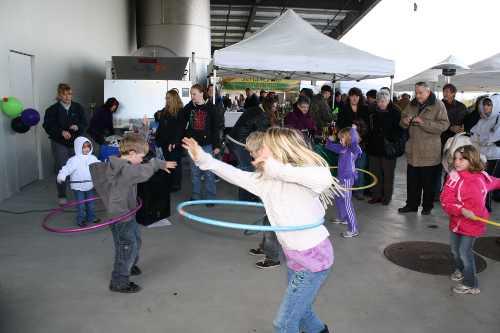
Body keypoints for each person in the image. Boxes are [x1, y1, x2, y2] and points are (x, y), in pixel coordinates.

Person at [182, 127, 341, 333]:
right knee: (302, 312)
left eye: (264, 146)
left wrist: (276, 169)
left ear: (279, 150)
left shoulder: (305, 179)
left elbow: (323, 178)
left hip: (315, 259)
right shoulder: (265, 183)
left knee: (283, 324)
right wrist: (203, 159)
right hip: (294, 258)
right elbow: (234, 174)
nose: (258, 151)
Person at [90, 133, 177, 293]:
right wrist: (157, 163)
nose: (141, 160)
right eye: (140, 156)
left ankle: (129, 265)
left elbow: (139, 166)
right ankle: (119, 281)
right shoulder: (125, 170)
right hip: (121, 215)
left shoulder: (121, 161)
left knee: (133, 240)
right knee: (127, 246)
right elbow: (142, 172)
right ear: (130, 154)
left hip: (126, 212)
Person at [440, 145, 500, 295]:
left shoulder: (482, 177)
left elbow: (496, 182)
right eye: (455, 159)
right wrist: (461, 210)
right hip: (457, 222)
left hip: (474, 225)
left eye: (462, 159)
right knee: (455, 251)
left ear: (472, 160)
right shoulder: (453, 178)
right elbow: (445, 200)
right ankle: (460, 270)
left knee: (464, 252)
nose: (457, 162)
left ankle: (471, 284)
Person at [398, 81, 450, 215]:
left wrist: (424, 122)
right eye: (416, 92)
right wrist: (404, 122)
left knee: (428, 183)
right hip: (413, 150)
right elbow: (402, 119)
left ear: (428, 92)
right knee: (412, 181)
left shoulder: (439, 105)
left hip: (430, 152)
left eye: (420, 93)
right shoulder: (412, 104)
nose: (418, 95)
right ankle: (411, 205)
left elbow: (444, 125)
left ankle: (427, 206)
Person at [43, 83, 88, 205]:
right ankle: (62, 195)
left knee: (78, 168)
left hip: (75, 143)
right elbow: (47, 126)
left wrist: (78, 126)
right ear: (59, 95)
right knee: (62, 168)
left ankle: (79, 192)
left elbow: (85, 123)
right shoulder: (52, 110)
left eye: (70, 94)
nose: (68, 97)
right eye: (65, 94)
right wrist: (61, 132)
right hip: (59, 143)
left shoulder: (78, 107)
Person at [227, 95, 277, 201]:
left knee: (247, 168)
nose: (275, 109)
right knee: (247, 169)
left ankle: (248, 195)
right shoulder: (261, 115)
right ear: (269, 106)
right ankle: (245, 198)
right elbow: (262, 134)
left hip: (235, 139)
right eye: (274, 107)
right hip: (239, 143)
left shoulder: (256, 109)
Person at [179, 84, 221, 204]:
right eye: (191, 94)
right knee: (194, 172)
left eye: (194, 94)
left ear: (202, 93)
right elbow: (181, 119)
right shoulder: (189, 107)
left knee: (208, 172)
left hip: (207, 145)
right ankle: (196, 196)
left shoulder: (211, 108)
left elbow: (215, 129)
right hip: (192, 145)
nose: (192, 96)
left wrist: (217, 145)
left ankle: (210, 197)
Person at [366, 90, 402, 205]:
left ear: (388, 100)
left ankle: (386, 197)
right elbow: (368, 128)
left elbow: (400, 131)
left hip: (389, 148)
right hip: (374, 147)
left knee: (388, 174)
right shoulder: (371, 111)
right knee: (374, 172)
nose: (381, 103)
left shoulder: (396, 112)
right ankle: (376, 195)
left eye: (384, 101)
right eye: (379, 101)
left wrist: (391, 140)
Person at [325, 126, 361, 238]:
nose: (340, 141)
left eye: (342, 139)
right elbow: (329, 146)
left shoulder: (353, 149)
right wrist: (330, 140)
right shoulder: (342, 147)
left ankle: (353, 229)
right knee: (338, 197)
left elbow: (356, 147)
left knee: (347, 203)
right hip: (341, 178)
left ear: (349, 139)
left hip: (347, 178)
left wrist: (353, 131)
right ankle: (343, 218)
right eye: (339, 139)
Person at [57, 137, 100, 227]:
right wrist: (62, 175)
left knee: (91, 204)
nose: (86, 149)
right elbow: (66, 169)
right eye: (84, 147)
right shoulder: (73, 160)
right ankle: (81, 219)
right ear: (78, 147)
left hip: (89, 185)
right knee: (81, 205)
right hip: (78, 187)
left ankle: (91, 217)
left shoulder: (93, 158)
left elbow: (99, 167)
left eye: (88, 146)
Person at [337, 87, 370, 200]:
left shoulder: (365, 109)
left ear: (360, 97)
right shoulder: (343, 108)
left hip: (361, 143)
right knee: (347, 168)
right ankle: (347, 191)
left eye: (357, 95)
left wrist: (361, 137)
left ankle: (359, 191)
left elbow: (368, 126)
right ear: (349, 97)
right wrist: (345, 138)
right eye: (352, 95)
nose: (354, 98)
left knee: (360, 167)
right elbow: (340, 126)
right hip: (347, 144)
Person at [470, 96, 500, 210]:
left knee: (487, 181)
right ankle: (482, 204)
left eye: (489, 105)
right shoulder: (483, 120)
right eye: (485, 104)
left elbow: (492, 139)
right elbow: (474, 134)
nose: (486, 107)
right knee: (482, 180)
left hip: (496, 156)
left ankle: (486, 206)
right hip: (483, 155)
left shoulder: (498, 119)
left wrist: (482, 140)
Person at [156, 89, 185, 192]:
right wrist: (158, 139)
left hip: (174, 143)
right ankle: (170, 182)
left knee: (175, 163)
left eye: (168, 98)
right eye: (166, 97)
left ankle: (176, 184)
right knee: (168, 162)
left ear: (173, 99)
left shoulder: (180, 112)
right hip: (164, 142)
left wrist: (174, 142)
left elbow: (180, 129)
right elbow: (161, 125)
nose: (166, 99)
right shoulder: (165, 110)